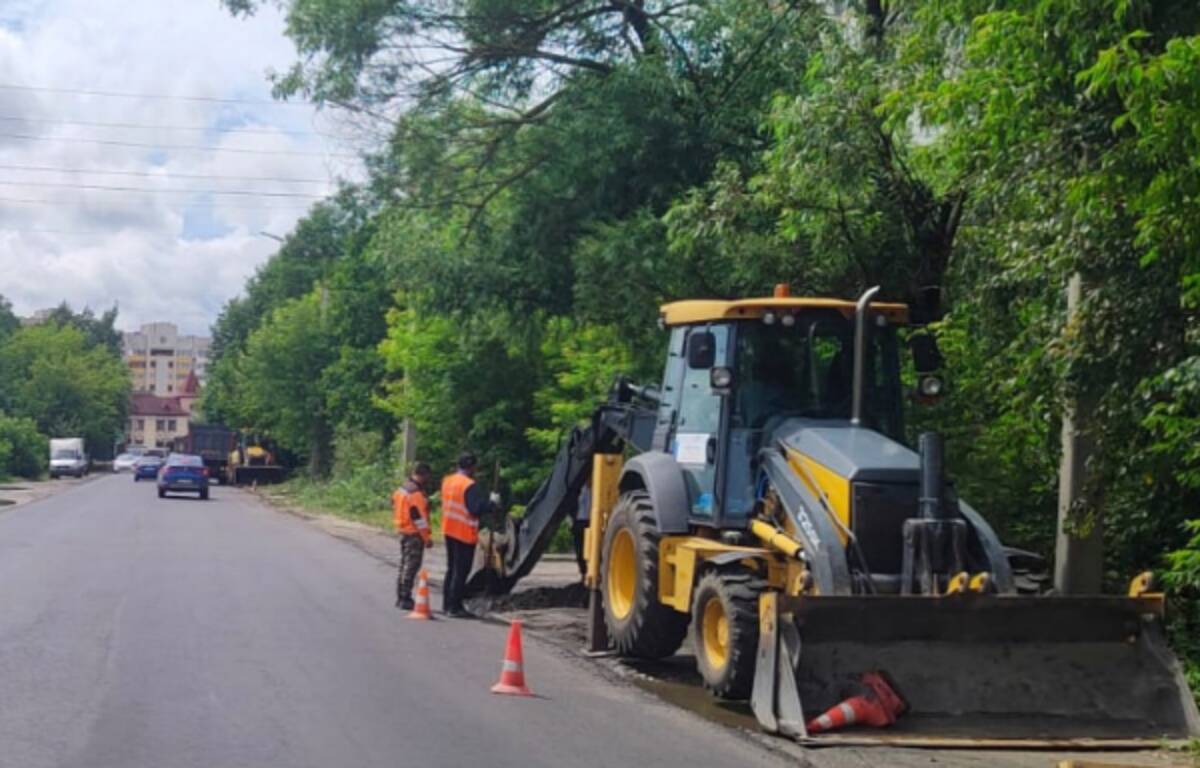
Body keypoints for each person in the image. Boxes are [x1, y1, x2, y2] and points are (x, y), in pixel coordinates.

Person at [440, 452, 500, 617]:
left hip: (449, 529)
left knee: (451, 568)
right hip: (463, 532)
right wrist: (491, 504)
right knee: (461, 571)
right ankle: (455, 607)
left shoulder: (448, 481)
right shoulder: (469, 485)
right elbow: (475, 509)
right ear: (472, 467)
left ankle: (447, 604)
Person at [393, 462, 434, 611]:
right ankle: (405, 597)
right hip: (414, 534)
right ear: (423, 475)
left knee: (404, 564)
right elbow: (419, 519)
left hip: (403, 530)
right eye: (428, 476)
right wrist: (426, 538)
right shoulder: (416, 494)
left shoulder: (401, 490)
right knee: (411, 566)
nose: (428, 480)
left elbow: (394, 504)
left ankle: (400, 595)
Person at [572, 480, 591, 582]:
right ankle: (583, 573)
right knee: (580, 551)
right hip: (579, 522)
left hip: (591, 522)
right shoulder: (576, 491)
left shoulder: (596, 490)